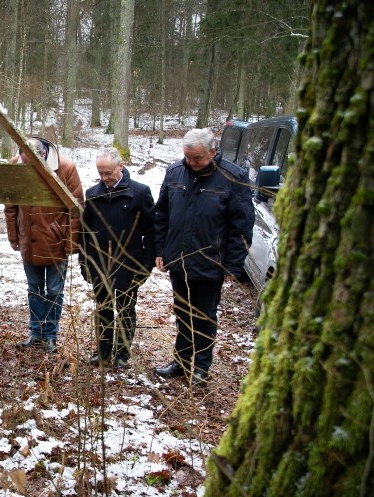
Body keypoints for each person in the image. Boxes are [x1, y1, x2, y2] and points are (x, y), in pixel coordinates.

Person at [153, 128, 254, 386]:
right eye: (188, 157)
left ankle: (201, 366)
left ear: (213, 151)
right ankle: (181, 360)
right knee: (183, 313)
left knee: (205, 316)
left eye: (197, 158)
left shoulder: (233, 177)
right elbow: (161, 214)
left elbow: (241, 227)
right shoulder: (175, 172)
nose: (191, 162)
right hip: (178, 260)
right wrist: (160, 250)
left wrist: (232, 264)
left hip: (211, 262)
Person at [5, 136, 84, 354]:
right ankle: (35, 333)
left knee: (54, 291)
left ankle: (51, 335)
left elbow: (75, 209)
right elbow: (10, 205)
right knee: (34, 290)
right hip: (28, 240)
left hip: (56, 242)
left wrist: (70, 243)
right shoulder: (15, 165)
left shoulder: (65, 168)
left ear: (43, 156)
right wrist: (14, 236)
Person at [79, 148, 154, 370]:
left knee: (125, 309)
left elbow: (150, 231)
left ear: (121, 167)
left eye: (108, 173)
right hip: (99, 263)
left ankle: (122, 354)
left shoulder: (140, 193)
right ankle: (102, 351)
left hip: (129, 263)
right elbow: (85, 231)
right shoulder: (93, 193)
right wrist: (85, 262)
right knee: (102, 308)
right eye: (100, 173)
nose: (103, 178)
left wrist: (146, 265)